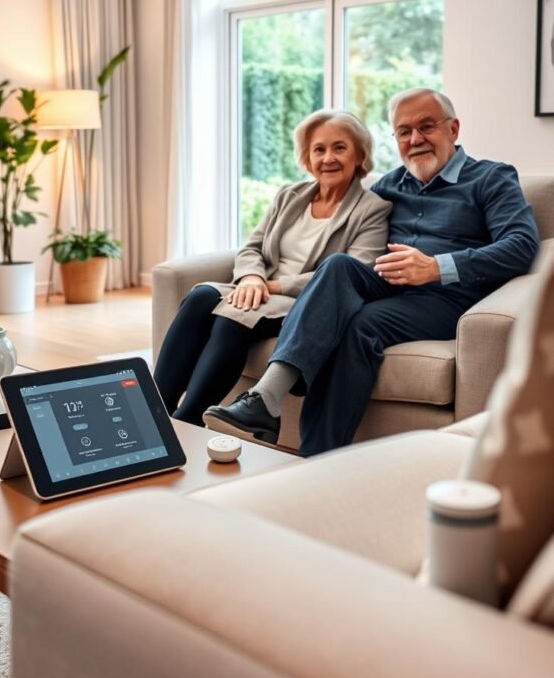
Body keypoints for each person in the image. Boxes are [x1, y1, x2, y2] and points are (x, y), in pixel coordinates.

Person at [204, 88, 540, 455]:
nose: (415, 139)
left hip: (447, 298)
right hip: (387, 284)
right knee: (338, 265)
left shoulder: (491, 178)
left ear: (454, 129)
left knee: (361, 326)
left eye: (427, 127)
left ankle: (315, 457)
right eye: (404, 131)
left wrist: (436, 267)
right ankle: (265, 400)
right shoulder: (388, 186)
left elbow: (522, 247)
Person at [153, 110, 391, 427]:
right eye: (319, 149)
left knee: (232, 320)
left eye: (339, 148)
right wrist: (252, 277)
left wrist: (271, 286)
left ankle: (187, 420)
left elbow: (353, 274)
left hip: (304, 303)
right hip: (259, 289)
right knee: (200, 298)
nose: (328, 158)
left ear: (360, 154)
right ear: (307, 157)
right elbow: (252, 247)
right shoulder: (289, 195)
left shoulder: (372, 210)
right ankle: (154, 411)